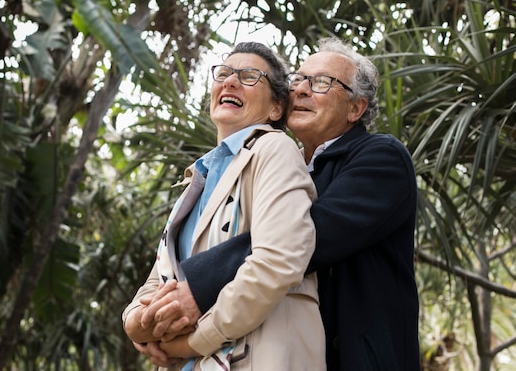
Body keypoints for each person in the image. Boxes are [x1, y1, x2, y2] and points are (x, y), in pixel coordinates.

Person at [137, 37, 421, 371]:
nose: (300, 89)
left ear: (356, 108)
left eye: (321, 82)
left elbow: (304, 238)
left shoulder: (382, 158)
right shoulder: (277, 168)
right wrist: (146, 317)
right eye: (298, 79)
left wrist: (197, 286)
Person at [122, 42, 326, 370]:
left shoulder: (274, 149)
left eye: (249, 76)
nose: (230, 81)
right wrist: (134, 321)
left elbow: (278, 261)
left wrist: (193, 341)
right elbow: (159, 280)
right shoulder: (198, 178)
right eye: (224, 73)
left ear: (276, 109)